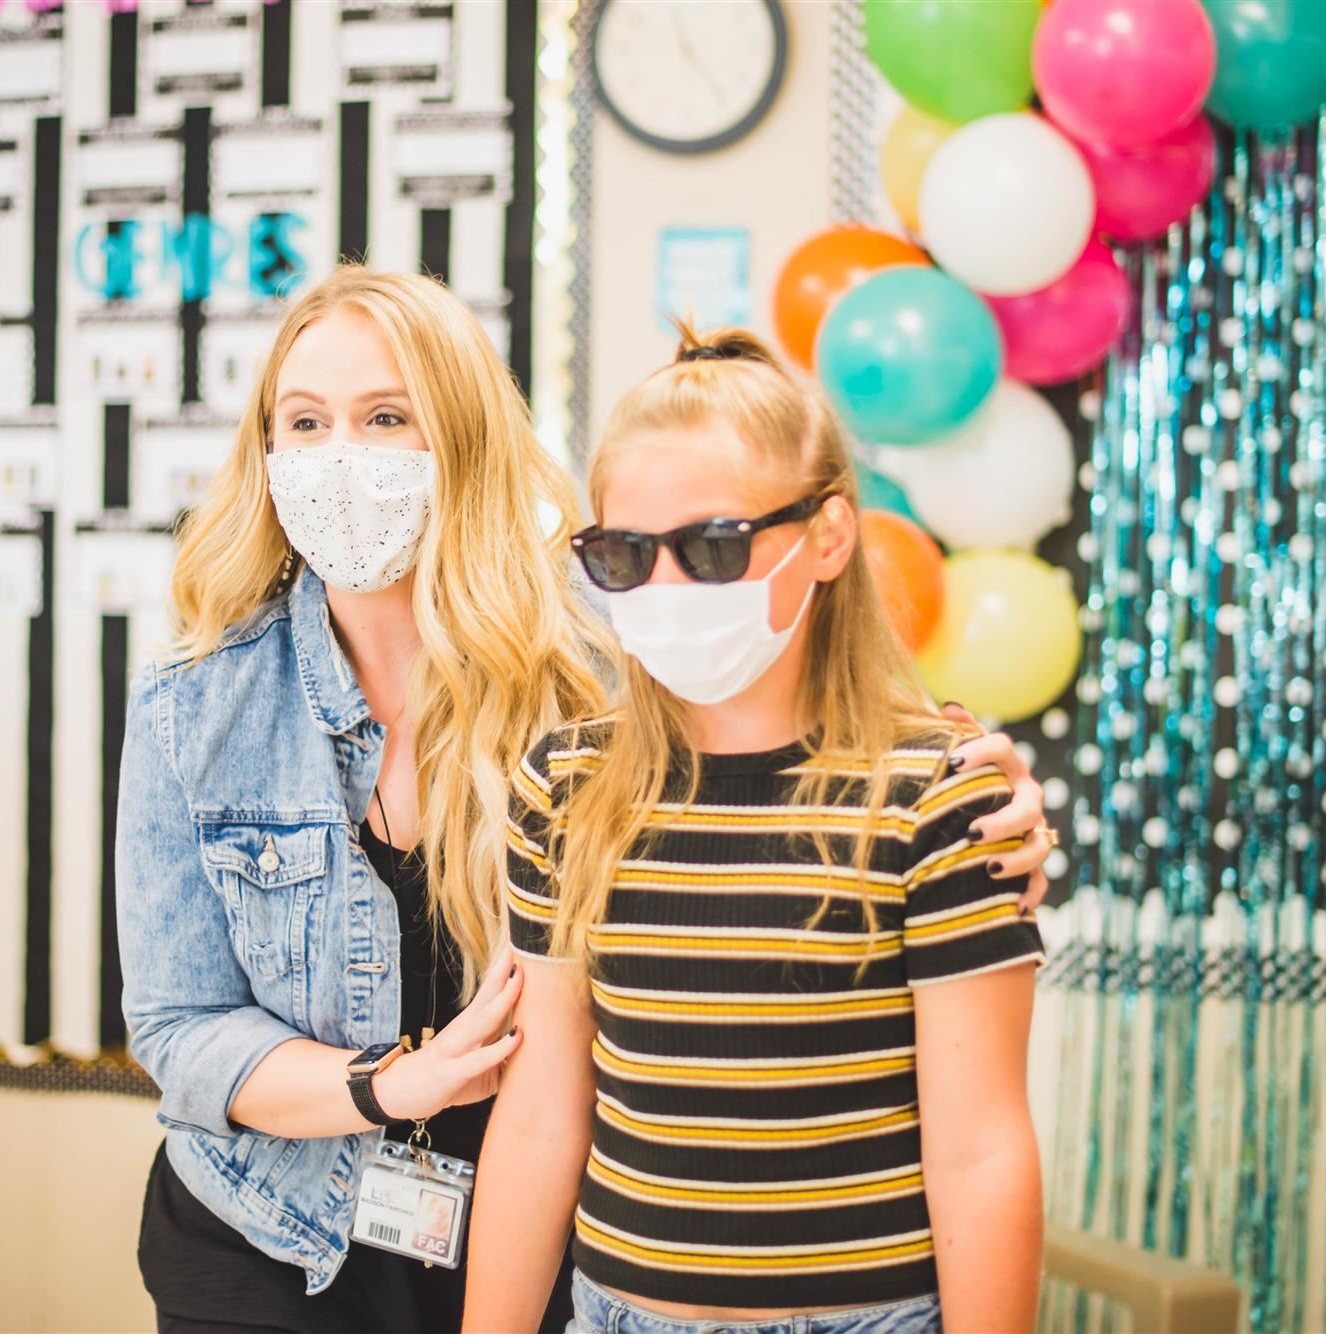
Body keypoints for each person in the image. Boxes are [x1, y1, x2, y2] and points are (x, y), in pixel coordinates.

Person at [115, 269, 1054, 1334]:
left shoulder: (607, 647)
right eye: (304, 421)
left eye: (385, 416)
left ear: (460, 437)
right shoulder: (196, 707)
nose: (341, 457)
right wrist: (390, 1084)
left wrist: (987, 779)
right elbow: (177, 1023)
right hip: (272, 1233)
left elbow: (799, 722)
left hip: (548, 1241)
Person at [466, 327, 1048, 1334]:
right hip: (618, 1313)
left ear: (826, 535)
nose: (666, 589)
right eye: (622, 554)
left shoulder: (935, 796)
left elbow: (980, 1148)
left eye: (713, 547)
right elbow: (540, 1116)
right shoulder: (564, 787)